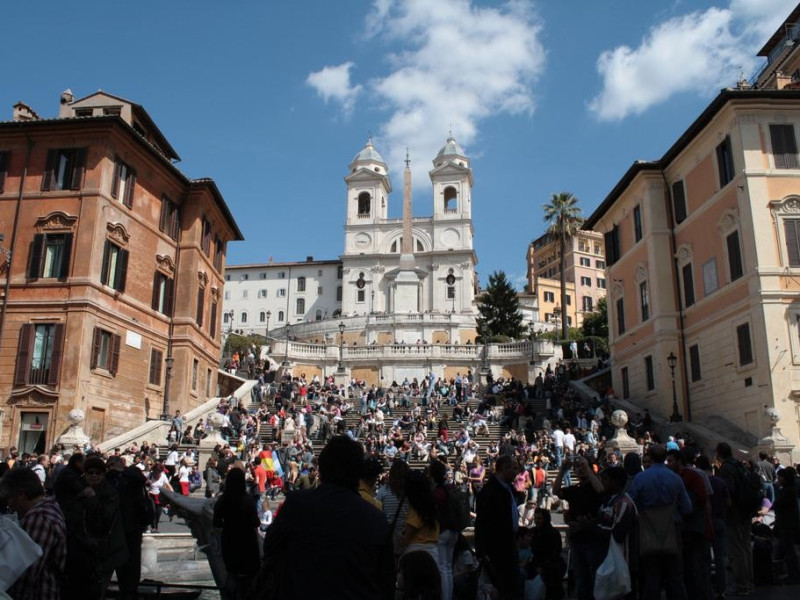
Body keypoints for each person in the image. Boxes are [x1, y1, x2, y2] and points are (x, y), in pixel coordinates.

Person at [258, 435, 394, 599]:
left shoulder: (296, 505)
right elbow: (386, 581)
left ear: (322, 468)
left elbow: (270, 548)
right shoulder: (376, 519)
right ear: (357, 472)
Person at [627, 444, 691, 600]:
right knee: (675, 576)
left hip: (647, 529)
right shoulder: (675, 478)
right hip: (672, 528)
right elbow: (688, 507)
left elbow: (629, 504)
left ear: (650, 457)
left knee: (651, 577)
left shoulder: (640, 478)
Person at [0, 467, 67, 600]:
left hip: (39, 593)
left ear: (21, 495)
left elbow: (26, 569)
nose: (9, 504)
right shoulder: (50, 507)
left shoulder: (38, 518)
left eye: (9, 498)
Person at [553, 455, 604, 600]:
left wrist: (587, 468)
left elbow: (600, 490)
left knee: (595, 575)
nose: (579, 469)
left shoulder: (594, 487)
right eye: (577, 467)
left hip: (592, 538)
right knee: (581, 578)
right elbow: (556, 491)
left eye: (582, 466)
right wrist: (562, 470)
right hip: (577, 539)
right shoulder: (574, 489)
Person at [474, 454, 522, 599]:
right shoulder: (489, 492)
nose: (516, 472)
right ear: (503, 468)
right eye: (514, 468)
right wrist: (481, 551)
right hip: (497, 549)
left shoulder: (508, 489)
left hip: (510, 545)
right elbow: (481, 523)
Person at [83, 455, 128, 598]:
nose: (94, 475)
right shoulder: (82, 490)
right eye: (90, 472)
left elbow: (106, 518)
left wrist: (92, 498)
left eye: (98, 473)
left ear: (104, 474)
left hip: (106, 549)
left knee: (97, 590)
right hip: (87, 547)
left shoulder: (110, 492)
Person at [106, 455, 150, 600]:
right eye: (111, 464)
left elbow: (142, 479)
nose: (114, 466)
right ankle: (122, 588)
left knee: (132, 559)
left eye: (116, 463)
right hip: (114, 525)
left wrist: (122, 470)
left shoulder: (131, 475)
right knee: (117, 558)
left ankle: (130, 590)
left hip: (132, 525)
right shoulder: (108, 479)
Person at [213, 467, 260, 599]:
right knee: (249, 577)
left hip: (229, 539)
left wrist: (228, 524)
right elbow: (256, 522)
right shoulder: (248, 500)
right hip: (247, 541)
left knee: (231, 573)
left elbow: (216, 522)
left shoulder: (223, 500)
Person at [716, 442, 755, 596]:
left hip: (735, 514)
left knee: (736, 550)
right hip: (746, 511)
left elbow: (728, 491)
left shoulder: (726, 468)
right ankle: (750, 582)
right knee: (746, 548)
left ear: (719, 453)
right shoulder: (739, 464)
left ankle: (741, 584)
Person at [530, 508, 565, 600]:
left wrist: (543, 566)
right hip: (536, 563)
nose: (537, 521)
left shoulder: (553, 533)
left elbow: (555, 552)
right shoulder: (532, 532)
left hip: (551, 563)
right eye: (536, 518)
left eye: (540, 518)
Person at [773, 466, 800, 583]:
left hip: (787, 524)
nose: (778, 479)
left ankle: (794, 574)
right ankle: (792, 573)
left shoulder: (787, 490)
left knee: (790, 551)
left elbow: (778, 504)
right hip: (788, 523)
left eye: (779, 477)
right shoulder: (790, 489)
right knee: (789, 550)